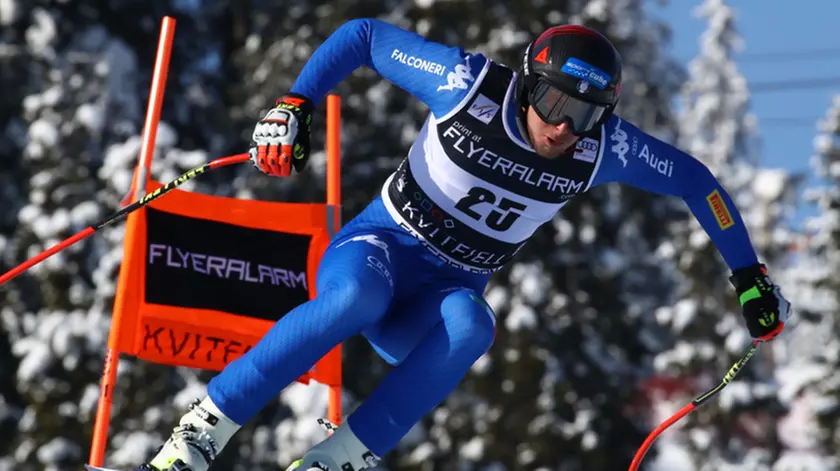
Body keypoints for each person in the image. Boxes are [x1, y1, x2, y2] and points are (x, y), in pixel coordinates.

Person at [134, 18, 792, 471]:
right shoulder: (466, 86)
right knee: (357, 295)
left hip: (436, 300)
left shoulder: (601, 150)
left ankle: (338, 459)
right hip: (376, 250)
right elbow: (363, 37)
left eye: (587, 114)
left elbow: (696, 182)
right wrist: (296, 104)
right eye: (557, 103)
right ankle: (201, 432)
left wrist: (749, 276)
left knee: (474, 322)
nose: (566, 128)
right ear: (532, 83)